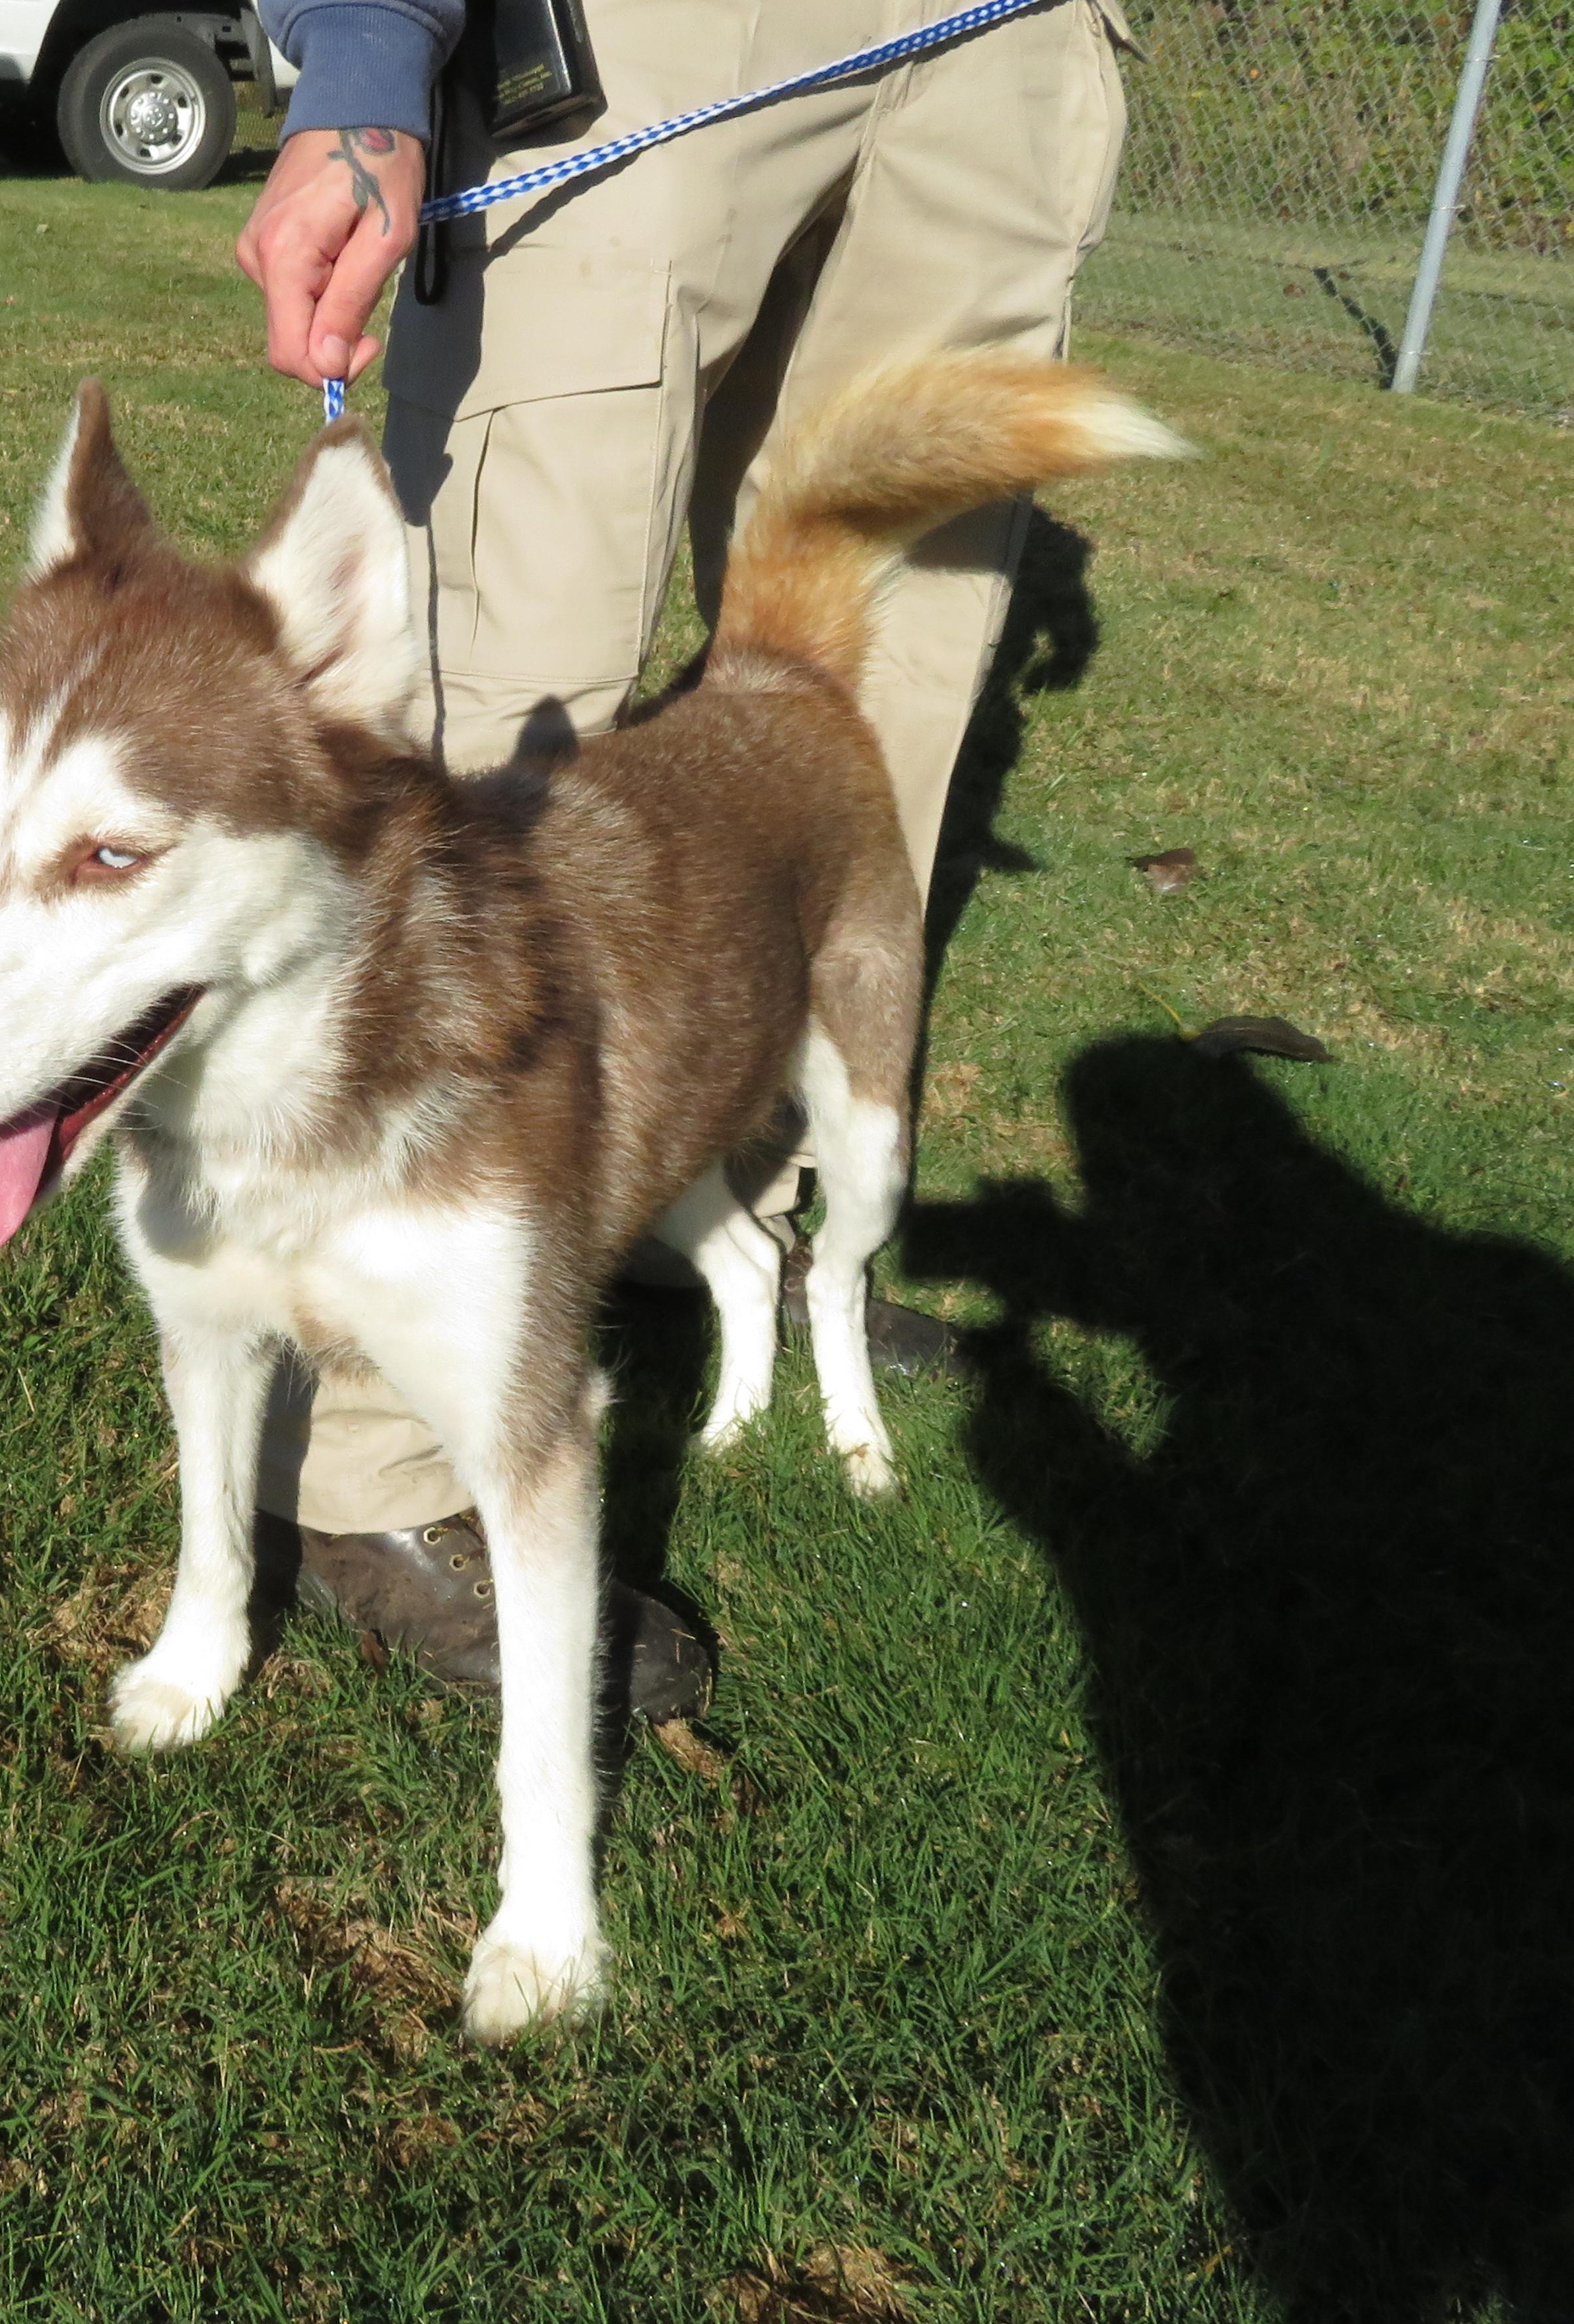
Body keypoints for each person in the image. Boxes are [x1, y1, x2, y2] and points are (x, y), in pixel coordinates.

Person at [234, 0, 1134, 1712]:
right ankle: (368, 1465)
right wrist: (369, 47)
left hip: (1006, 36)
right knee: (509, 695)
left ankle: (731, 1208)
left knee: (880, 687)